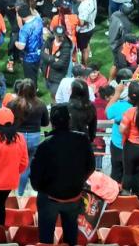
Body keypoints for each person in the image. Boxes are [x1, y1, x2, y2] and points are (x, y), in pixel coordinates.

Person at [31, 104, 95, 246]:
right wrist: (77, 182)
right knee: (71, 239)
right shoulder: (83, 140)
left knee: (46, 240)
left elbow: (35, 180)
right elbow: (91, 167)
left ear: (52, 123)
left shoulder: (45, 145)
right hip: (73, 197)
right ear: (69, 120)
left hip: (49, 199)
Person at [7, 79, 49, 196]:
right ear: (34, 90)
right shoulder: (40, 104)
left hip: (16, 137)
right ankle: (20, 193)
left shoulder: (13, 104)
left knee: (14, 165)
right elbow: (45, 123)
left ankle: (12, 192)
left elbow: (7, 121)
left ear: (19, 90)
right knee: (26, 167)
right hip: (34, 138)